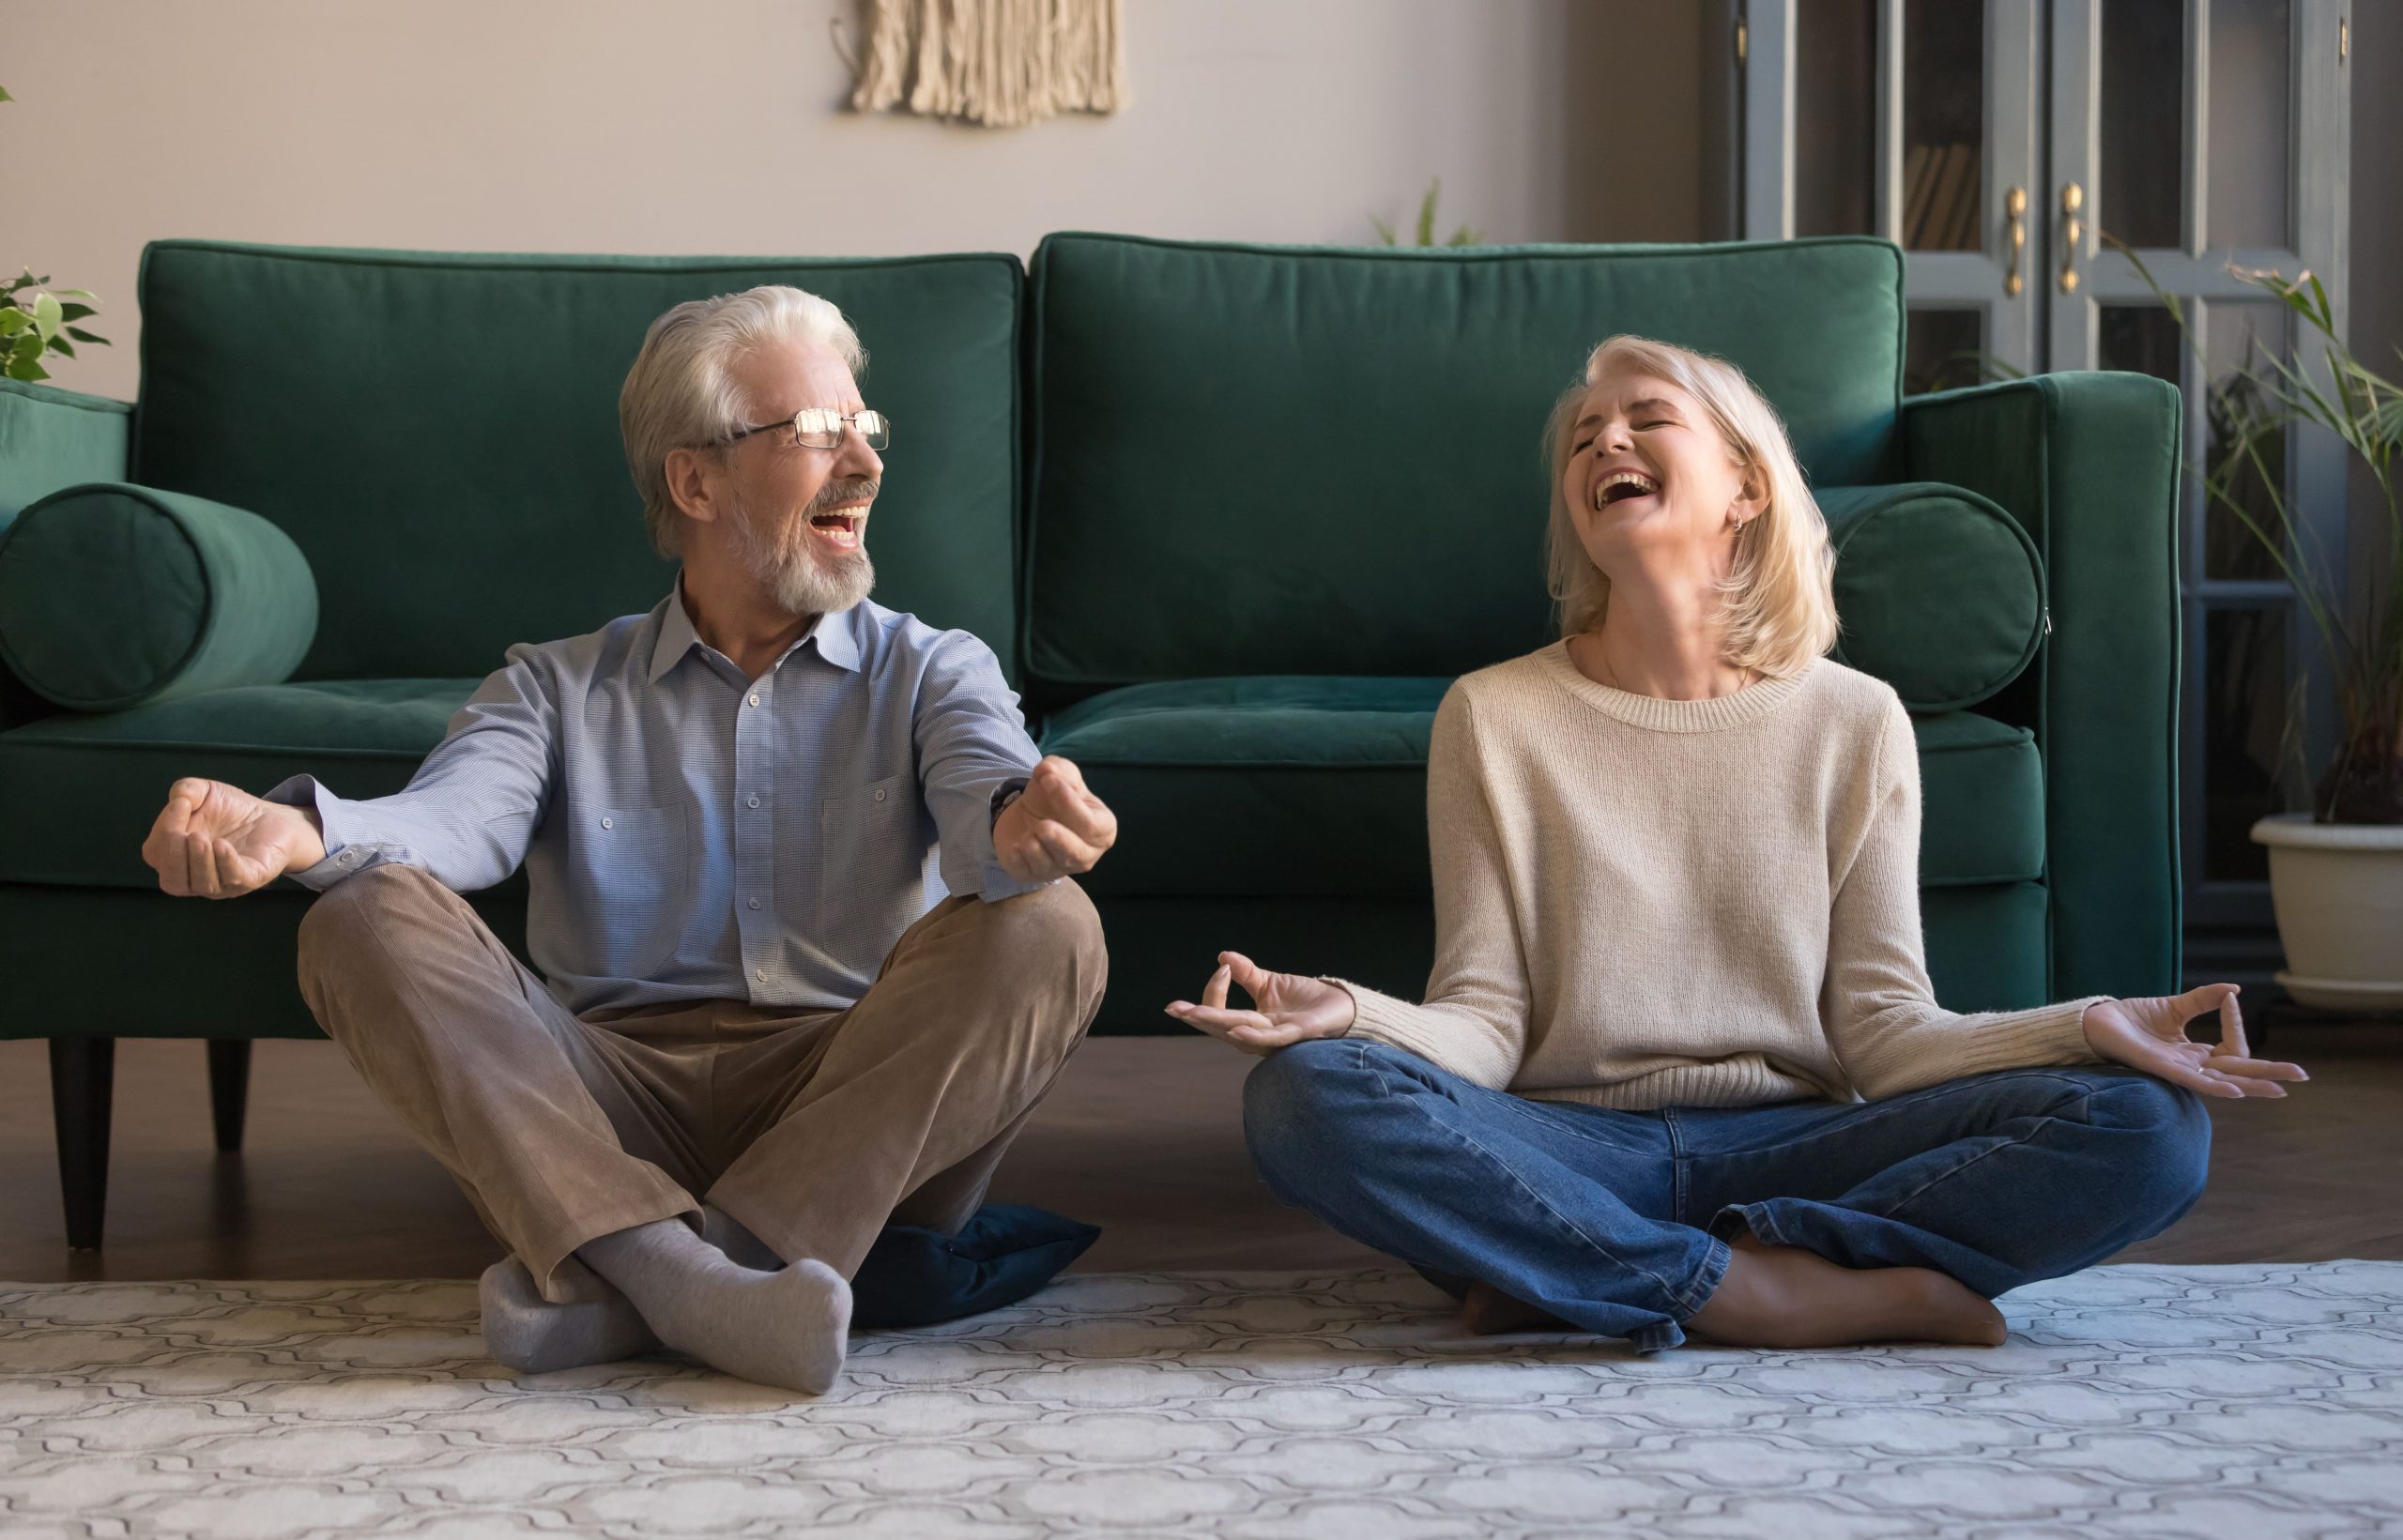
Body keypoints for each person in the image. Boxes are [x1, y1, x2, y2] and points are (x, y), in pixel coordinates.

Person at [1167, 333, 2305, 1354]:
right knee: (1305, 1095)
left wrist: (2084, 1027)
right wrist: (1354, 1014)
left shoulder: (1852, 720)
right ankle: (1767, 1293)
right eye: (1582, 437)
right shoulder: (1494, 713)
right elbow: (1487, 1018)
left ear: (1746, 486)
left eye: (1646, 416)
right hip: (1563, 1141)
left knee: (2150, 1125)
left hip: (1801, 1144)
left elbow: (1885, 1032)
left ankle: (1575, 1273)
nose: (1604, 437)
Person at [139, 285, 1114, 1394]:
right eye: (814, 434)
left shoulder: (935, 668)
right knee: (359, 912)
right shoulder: (550, 686)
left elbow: (989, 790)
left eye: (865, 428)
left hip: (849, 1107)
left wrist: (1019, 823)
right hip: (600, 1105)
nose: (864, 463)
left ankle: (640, 1283)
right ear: (694, 480)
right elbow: (447, 825)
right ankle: (702, 1286)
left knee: (1051, 925)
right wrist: (300, 831)